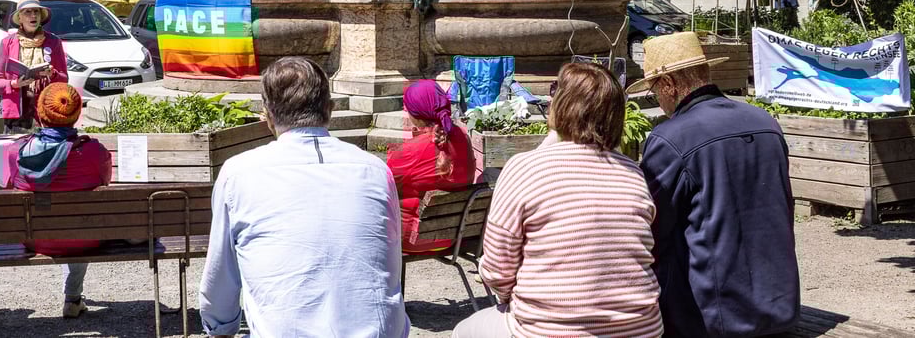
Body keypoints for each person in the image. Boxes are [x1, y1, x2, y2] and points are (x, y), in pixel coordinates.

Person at [198, 56, 409, 337]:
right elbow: (388, 265)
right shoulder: (374, 170)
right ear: (330, 110)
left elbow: (220, 275)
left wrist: (220, 328)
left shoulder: (239, 173)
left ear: (267, 114)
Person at [453, 62, 661, 338]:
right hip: (641, 328)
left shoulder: (524, 168)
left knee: (463, 331)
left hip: (549, 329)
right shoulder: (632, 172)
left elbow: (496, 269)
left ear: (561, 105)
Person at [628, 32, 800, 337]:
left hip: (711, 317)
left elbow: (650, 230)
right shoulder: (766, 122)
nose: (657, 99)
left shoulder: (671, 137)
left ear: (668, 84)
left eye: (654, 90)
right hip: (780, 306)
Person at [6, 83, 111, 319]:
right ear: (77, 114)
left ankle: (73, 298)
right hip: (85, 238)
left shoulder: (16, 151)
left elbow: (11, 184)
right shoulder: (93, 152)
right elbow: (105, 181)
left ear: (39, 112)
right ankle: (72, 298)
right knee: (81, 222)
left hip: (36, 238)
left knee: (65, 219)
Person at [386, 79, 475, 253]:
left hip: (411, 239)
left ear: (414, 113)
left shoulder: (409, 153)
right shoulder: (463, 138)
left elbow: (384, 189)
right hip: (452, 236)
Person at [0, 0, 68, 133]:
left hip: (45, 111)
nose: (33, 15)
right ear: (20, 18)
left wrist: (53, 74)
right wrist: (13, 84)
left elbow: (64, 79)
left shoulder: (53, 41)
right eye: (28, 12)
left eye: (36, 12)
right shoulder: (7, 43)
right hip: (16, 114)